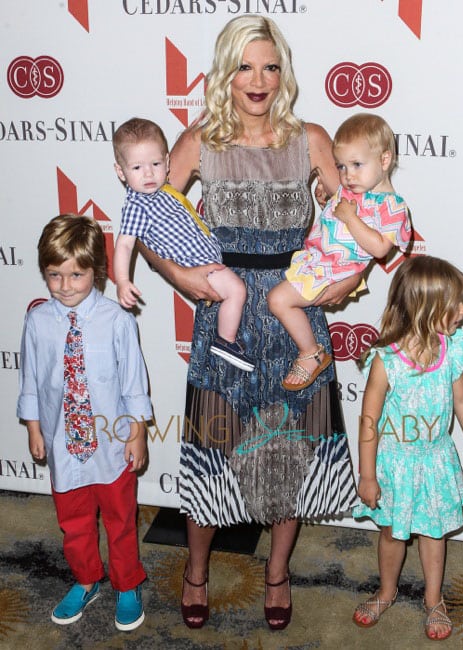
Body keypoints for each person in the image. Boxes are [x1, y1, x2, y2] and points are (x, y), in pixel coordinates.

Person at [136, 15, 360, 631]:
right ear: (224, 74)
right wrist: (180, 276)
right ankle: (196, 571)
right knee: (213, 444)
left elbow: (356, 221)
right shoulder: (198, 141)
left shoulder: (312, 138)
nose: (257, 80)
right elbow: (148, 216)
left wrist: (350, 278)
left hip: (295, 319)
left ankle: (278, 574)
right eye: (244, 67)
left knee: (290, 452)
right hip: (226, 318)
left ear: (282, 73)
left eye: (269, 66)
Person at [17, 215, 152, 631]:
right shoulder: (37, 321)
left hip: (111, 447)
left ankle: (126, 583)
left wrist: (138, 434)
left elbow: (133, 383)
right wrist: (35, 428)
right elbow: (31, 380)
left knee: (120, 521)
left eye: (77, 274)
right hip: (63, 447)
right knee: (73, 523)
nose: (65, 285)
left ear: (96, 271)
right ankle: (87, 579)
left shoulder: (117, 320)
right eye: (54, 275)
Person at [351, 255, 463, 641]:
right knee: (392, 535)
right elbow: (369, 421)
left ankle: (434, 600)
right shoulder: (386, 361)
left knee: (434, 534)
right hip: (394, 464)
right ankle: (386, 592)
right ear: (428, 309)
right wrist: (366, 475)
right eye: (457, 303)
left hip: (435, 460)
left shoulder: (452, 350)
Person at [268, 113, 412, 391]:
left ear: (384, 160)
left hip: (336, 271)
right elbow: (339, 234)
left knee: (278, 300)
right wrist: (327, 208)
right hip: (318, 262)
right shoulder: (351, 194)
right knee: (279, 300)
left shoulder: (393, 206)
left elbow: (380, 248)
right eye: (342, 167)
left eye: (357, 165)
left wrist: (349, 218)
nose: (347, 175)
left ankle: (310, 353)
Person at [112, 117, 253, 371]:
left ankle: (227, 336)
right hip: (199, 267)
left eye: (155, 164)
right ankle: (226, 341)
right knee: (237, 291)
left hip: (209, 260)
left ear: (167, 163)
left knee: (237, 294)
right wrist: (122, 280)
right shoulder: (136, 205)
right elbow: (124, 244)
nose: (148, 174)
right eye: (136, 168)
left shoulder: (163, 192)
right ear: (120, 172)